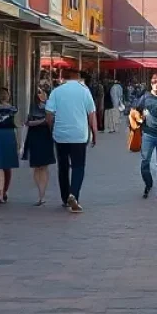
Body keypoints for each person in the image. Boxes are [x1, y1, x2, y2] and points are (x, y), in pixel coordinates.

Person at [45, 67, 97, 212]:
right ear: (77, 76)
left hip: (60, 135)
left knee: (62, 167)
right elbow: (91, 114)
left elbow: (49, 114)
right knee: (78, 166)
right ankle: (74, 194)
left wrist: (52, 129)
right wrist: (94, 132)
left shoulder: (56, 91)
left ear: (63, 77)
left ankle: (65, 197)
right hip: (79, 135)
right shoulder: (84, 91)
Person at [22, 86, 55, 205]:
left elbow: (52, 122)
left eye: (43, 93)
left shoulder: (50, 107)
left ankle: (42, 194)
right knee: (36, 167)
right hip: (35, 137)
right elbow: (28, 122)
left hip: (46, 137)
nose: (41, 96)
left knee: (44, 166)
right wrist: (42, 121)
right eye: (39, 94)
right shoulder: (32, 107)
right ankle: (40, 193)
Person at [0, 87, 19, 204]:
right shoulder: (13, 110)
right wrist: (19, 142)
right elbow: (18, 126)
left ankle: (0, 193)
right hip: (9, 136)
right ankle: (3, 191)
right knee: (7, 166)